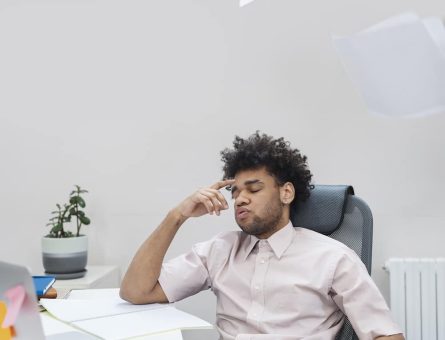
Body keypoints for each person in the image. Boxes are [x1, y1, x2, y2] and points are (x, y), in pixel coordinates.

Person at [120, 132, 404, 340]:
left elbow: (385, 335)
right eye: (235, 192)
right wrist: (176, 216)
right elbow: (136, 291)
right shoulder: (220, 250)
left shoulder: (333, 258)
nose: (240, 199)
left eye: (253, 190)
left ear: (286, 192)